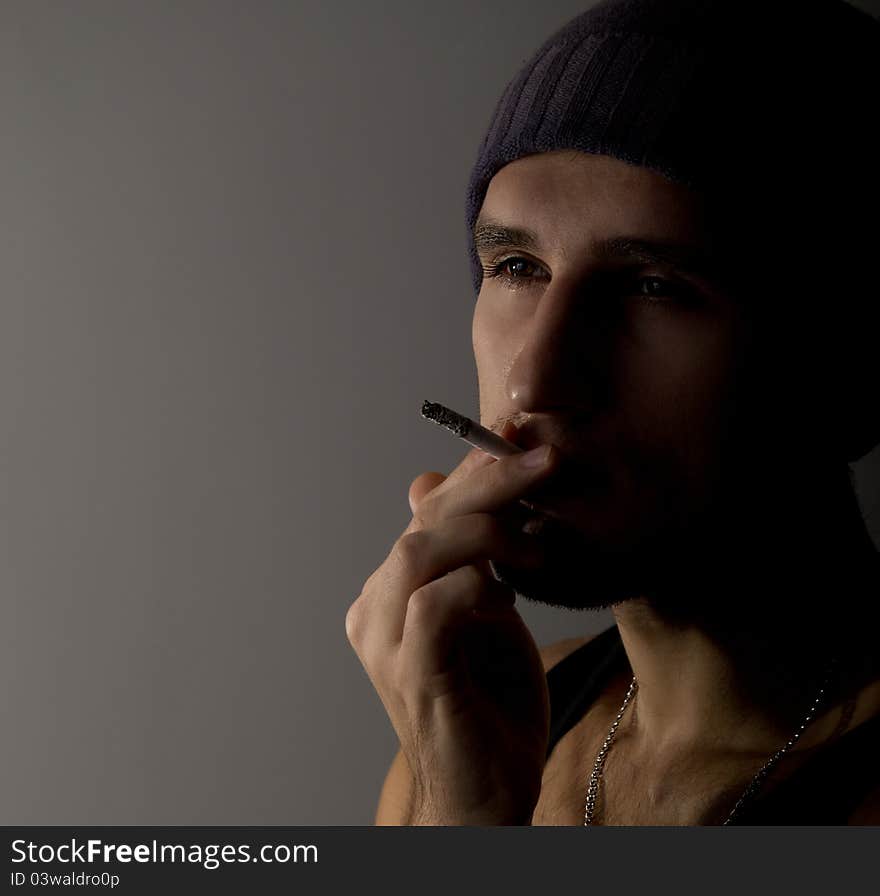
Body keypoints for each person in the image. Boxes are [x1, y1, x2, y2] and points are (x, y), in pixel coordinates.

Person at [345, 0, 880, 825]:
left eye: (653, 286)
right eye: (517, 266)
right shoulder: (475, 731)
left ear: (843, 364)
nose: (532, 382)